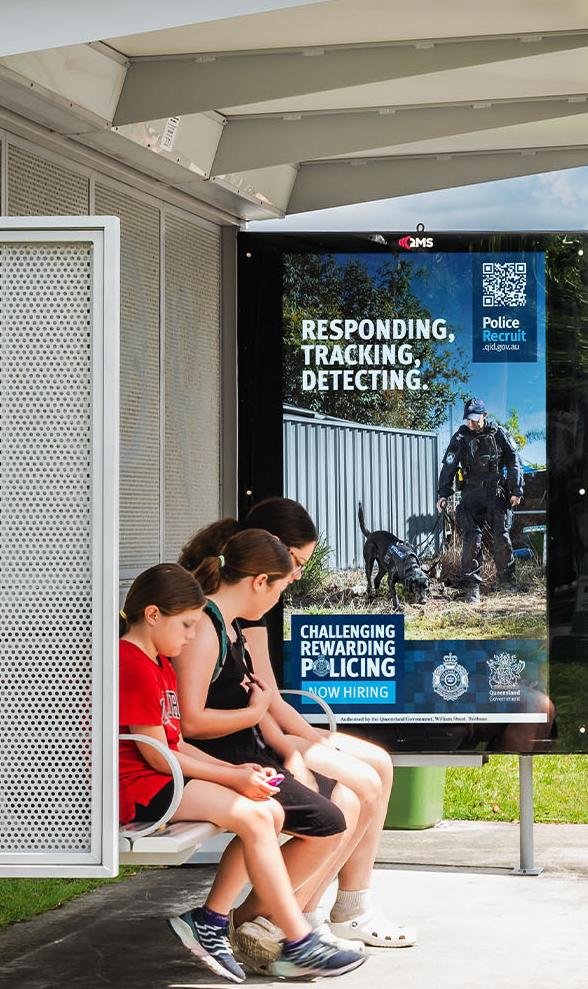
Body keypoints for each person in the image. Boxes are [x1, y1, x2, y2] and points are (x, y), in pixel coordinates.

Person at [170, 526, 369, 980]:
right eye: (279, 587)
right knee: (329, 820)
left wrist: (283, 745)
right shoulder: (204, 628)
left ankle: (256, 924)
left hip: (250, 757)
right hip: (224, 764)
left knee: (343, 805)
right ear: (260, 582)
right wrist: (255, 713)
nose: (278, 599)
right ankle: (257, 926)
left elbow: (251, 703)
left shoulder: (228, 627)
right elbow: (191, 721)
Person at [223, 497, 418, 947]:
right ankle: (300, 916)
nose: (298, 575)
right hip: (250, 738)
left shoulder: (254, 600)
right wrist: (306, 747)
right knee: (359, 786)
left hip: (266, 727)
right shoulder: (244, 600)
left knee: (380, 765)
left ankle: (352, 906)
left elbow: (267, 691)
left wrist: (312, 740)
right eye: (294, 562)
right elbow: (262, 701)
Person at [116, 564, 320, 984]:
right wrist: (231, 780)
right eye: (187, 624)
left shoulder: (160, 663)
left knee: (270, 813)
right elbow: (156, 757)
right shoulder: (131, 663)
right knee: (254, 815)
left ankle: (210, 920)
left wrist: (233, 769)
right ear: (152, 614)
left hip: (162, 777)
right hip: (137, 789)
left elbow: (173, 744)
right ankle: (297, 941)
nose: (191, 636)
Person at [437, 397, 523, 603]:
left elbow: (514, 461)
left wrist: (517, 489)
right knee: (472, 539)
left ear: (484, 416)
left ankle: (506, 582)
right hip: (471, 495)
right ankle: (472, 588)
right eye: (468, 419)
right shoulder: (461, 437)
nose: (471, 423)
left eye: (475, 419)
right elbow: (449, 465)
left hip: (496, 494)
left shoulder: (499, 434)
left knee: (502, 536)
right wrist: (443, 493)